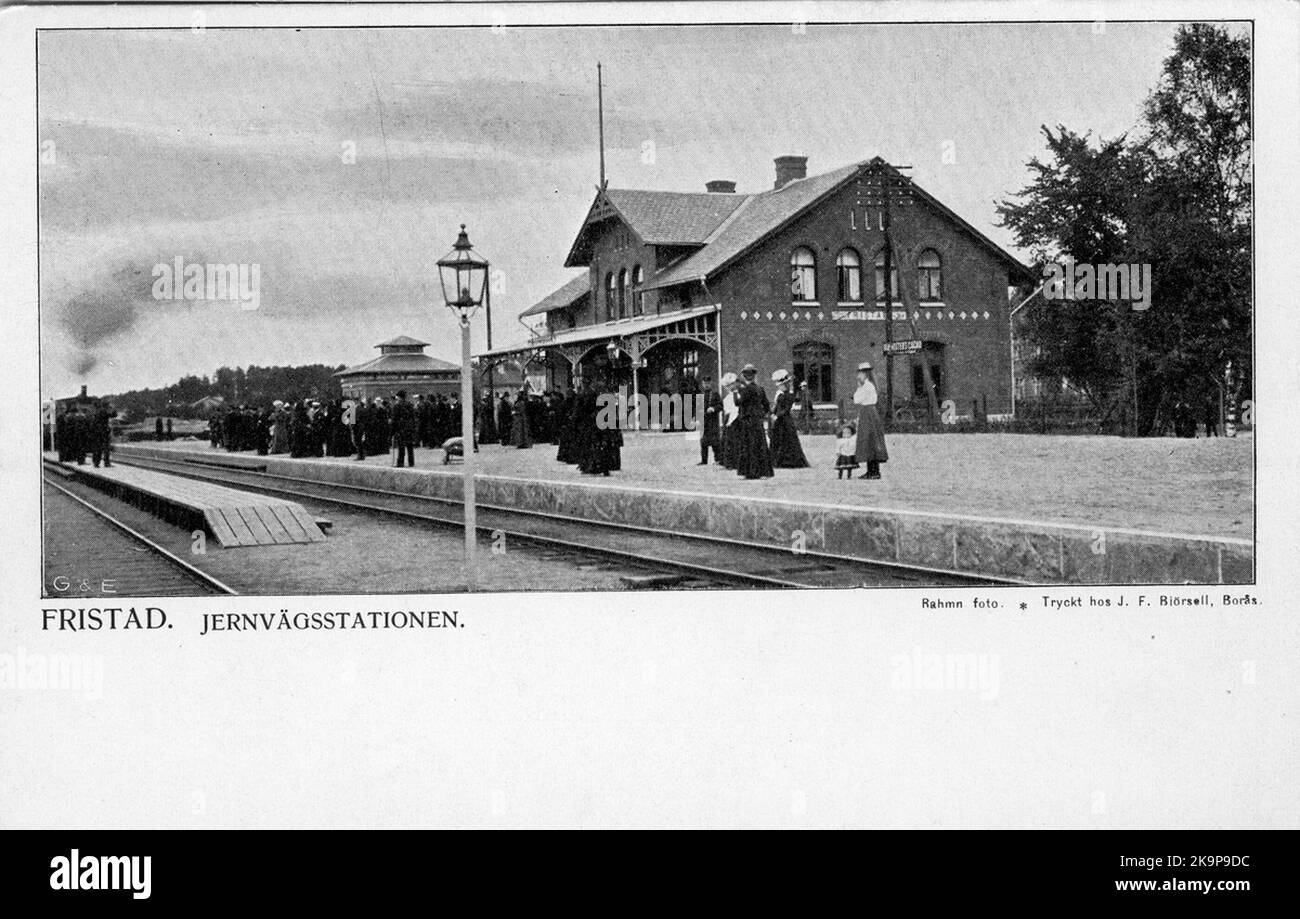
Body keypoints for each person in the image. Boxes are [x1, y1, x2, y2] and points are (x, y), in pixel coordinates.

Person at [734, 364, 774, 480]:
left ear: (745, 377)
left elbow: (738, 403)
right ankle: (763, 472)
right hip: (757, 420)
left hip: (747, 420)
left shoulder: (745, 390)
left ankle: (749, 472)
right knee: (760, 445)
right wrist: (761, 414)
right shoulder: (760, 389)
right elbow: (766, 405)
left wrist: (735, 392)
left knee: (748, 446)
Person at [853, 362, 888, 480]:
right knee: (868, 441)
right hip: (868, 413)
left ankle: (874, 471)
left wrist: (858, 386)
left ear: (866, 374)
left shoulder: (867, 386)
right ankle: (871, 470)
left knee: (870, 440)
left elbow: (857, 399)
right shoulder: (868, 386)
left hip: (868, 413)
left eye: (861, 373)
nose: (859, 376)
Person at [768, 369, 809, 468]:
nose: (780, 386)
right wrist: (773, 413)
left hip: (785, 420)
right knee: (777, 439)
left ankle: (788, 461)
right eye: (779, 385)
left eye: (781, 385)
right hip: (778, 420)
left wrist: (777, 415)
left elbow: (786, 409)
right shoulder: (779, 394)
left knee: (787, 440)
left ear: (785, 384)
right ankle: (776, 460)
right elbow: (776, 406)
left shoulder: (789, 395)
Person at [698, 373, 723, 465]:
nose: (706, 384)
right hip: (704, 422)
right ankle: (704, 460)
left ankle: (718, 459)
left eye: (708, 382)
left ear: (710, 383)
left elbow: (720, 406)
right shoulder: (700, 395)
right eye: (705, 383)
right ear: (702, 384)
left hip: (713, 421)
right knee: (703, 442)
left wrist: (713, 408)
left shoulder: (715, 394)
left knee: (715, 442)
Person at [390, 390, 418, 467]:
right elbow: (413, 417)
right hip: (409, 428)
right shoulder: (410, 405)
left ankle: (400, 462)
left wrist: (392, 431)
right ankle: (411, 462)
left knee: (401, 447)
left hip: (401, 428)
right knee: (410, 446)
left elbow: (394, 419)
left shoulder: (397, 406)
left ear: (399, 397)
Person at [719, 373, 740, 469]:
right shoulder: (732, 397)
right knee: (733, 443)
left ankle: (733, 462)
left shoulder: (733, 397)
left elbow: (730, 412)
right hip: (735, 420)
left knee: (732, 443)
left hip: (735, 421)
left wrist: (725, 423)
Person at [90, 400, 115, 467]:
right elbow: (114, 415)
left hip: (97, 432)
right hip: (104, 432)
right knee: (106, 448)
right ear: (106, 406)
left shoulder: (97, 411)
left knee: (98, 447)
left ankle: (96, 463)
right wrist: (113, 408)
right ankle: (106, 462)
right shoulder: (104, 411)